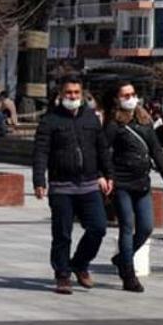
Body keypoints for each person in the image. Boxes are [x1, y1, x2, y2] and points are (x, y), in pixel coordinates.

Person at [32, 75, 112, 295]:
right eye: (69, 93)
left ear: (82, 93)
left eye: (76, 93)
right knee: (62, 234)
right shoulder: (50, 120)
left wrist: (108, 174)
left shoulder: (91, 118)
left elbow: (101, 148)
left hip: (88, 184)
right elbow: (40, 151)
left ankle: (79, 263)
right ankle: (63, 274)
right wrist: (39, 180)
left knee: (98, 227)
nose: (73, 96)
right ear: (61, 94)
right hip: (61, 186)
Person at [104, 81, 163, 292]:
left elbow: (156, 151)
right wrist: (106, 176)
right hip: (122, 182)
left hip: (142, 183)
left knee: (146, 227)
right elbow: (103, 151)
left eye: (133, 94)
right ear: (117, 99)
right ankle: (128, 274)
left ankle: (121, 258)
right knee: (127, 227)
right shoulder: (113, 124)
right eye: (125, 95)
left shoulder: (145, 120)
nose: (131, 98)